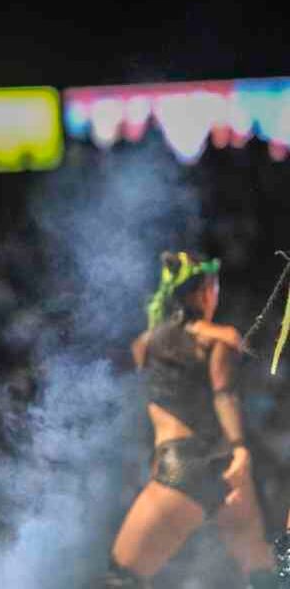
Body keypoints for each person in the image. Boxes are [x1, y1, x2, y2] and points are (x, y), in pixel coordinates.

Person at [103, 252, 276, 588]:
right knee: (265, 575)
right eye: (214, 286)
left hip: (184, 468)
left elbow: (223, 394)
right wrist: (240, 450)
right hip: (224, 470)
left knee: (122, 578)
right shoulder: (219, 336)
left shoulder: (147, 344)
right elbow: (223, 393)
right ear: (204, 292)